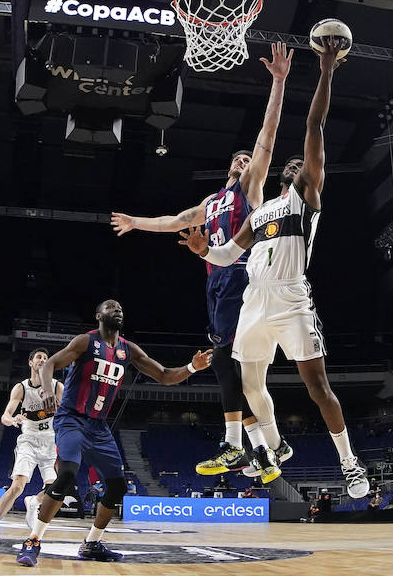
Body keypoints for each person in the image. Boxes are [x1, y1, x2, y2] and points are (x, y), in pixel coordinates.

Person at [180, 41, 370, 498]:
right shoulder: (258, 213)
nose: (299, 163)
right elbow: (228, 257)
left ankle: (350, 462)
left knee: (317, 386)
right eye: (298, 163)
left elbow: (314, 123)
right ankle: (273, 447)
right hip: (253, 301)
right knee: (249, 384)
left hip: (290, 298)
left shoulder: (305, 196)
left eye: (304, 163)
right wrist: (204, 249)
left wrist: (325, 70)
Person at [112, 42, 292, 481]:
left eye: (249, 159)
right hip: (214, 284)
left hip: (239, 279)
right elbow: (173, 221)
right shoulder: (212, 202)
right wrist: (136, 221)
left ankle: (255, 446)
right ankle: (265, 449)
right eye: (239, 158)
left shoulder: (249, 192)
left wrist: (279, 83)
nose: (244, 159)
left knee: (228, 362)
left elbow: (266, 139)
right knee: (226, 365)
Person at [15, 299, 211, 567]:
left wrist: (191, 368)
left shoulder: (127, 350)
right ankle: (33, 540)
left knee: (118, 486)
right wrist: (48, 389)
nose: (117, 310)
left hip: (98, 426)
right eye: (111, 307)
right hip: (72, 419)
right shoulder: (85, 341)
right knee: (68, 474)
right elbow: (49, 364)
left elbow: (164, 375)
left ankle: (92, 543)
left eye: (120, 308)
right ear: (99, 315)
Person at [0, 347, 60, 544]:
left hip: (50, 441)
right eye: (39, 357)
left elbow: (67, 410)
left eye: (46, 357)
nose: (43, 360)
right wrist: (12, 419)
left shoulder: (57, 386)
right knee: (17, 486)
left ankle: (34, 501)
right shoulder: (21, 388)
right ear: (30, 363)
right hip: (29, 440)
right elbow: (5, 416)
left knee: (57, 488)